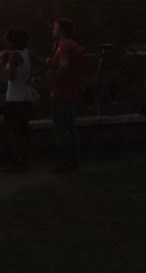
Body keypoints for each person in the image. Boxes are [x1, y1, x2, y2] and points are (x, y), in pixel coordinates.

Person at [46, 18, 83, 173]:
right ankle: (73, 161)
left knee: (62, 129)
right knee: (70, 128)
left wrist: (57, 79)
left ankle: (65, 162)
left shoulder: (65, 46)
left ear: (61, 31)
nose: (53, 31)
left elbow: (65, 65)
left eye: (55, 28)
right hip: (73, 91)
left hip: (62, 92)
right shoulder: (74, 46)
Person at [0, 27, 34, 172]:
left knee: (13, 131)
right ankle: (25, 161)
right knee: (24, 130)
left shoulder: (14, 55)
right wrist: (30, 76)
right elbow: (47, 65)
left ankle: (15, 163)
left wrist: (2, 66)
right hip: (26, 96)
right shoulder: (27, 53)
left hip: (14, 98)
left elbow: (11, 77)